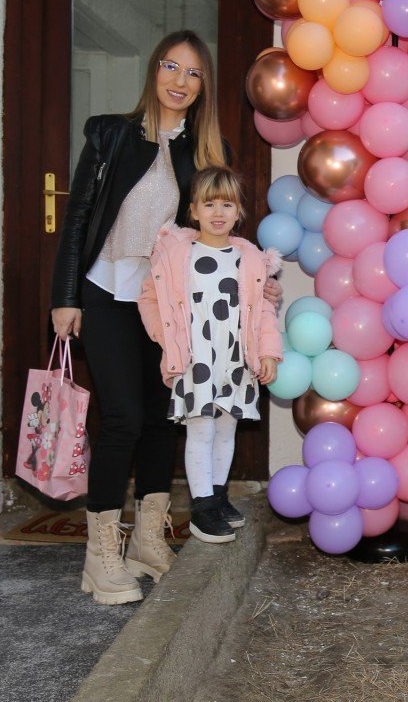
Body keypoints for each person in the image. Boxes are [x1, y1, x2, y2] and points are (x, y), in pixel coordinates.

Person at [50, 30, 274, 604]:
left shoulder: (205, 151)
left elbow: (218, 232)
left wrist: (255, 285)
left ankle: (148, 540)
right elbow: (78, 219)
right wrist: (64, 296)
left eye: (193, 73)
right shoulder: (110, 135)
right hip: (106, 292)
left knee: (159, 419)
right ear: (154, 70)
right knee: (123, 417)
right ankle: (101, 556)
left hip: (172, 307)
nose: (180, 80)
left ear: (203, 87)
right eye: (171, 67)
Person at [138, 167, 282, 543]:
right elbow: (149, 298)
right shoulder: (176, 254)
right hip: (196, 358)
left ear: (238, 212)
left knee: (226, 428)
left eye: (227, 205)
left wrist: (268, 352)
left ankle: (217, 497)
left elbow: (263, 311)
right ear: (194, 210)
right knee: (200, 429)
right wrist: (167, 338)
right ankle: (201, 509)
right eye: (209, 204)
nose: (218, 212)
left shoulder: (249, 258)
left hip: (234, 358)